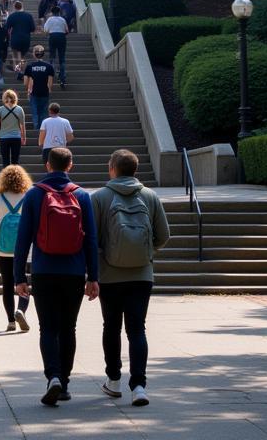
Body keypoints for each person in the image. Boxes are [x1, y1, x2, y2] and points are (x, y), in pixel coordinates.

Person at [13, 147, 99, 407]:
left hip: (43, 271)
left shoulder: (34, 194)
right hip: (73, 272)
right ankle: (65, 382)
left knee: (48, 328)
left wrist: (19, 276)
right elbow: (91, 239)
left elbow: (23, 239)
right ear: (70, 165)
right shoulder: (82, 196)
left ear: (48, 165)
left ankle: (52, 377)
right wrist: (93, 276)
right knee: (68, 328)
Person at [92, 149, 171, 408]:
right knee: (137, 329)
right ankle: (138, 386)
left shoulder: (100, 197)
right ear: (135, 169)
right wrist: (147, 252)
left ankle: (113, 380)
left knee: (111, 327)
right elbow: (164, 234)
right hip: (141, 273)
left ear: (112, 168)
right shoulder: (149, 196)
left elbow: (91, 238)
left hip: (109, 274)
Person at [0, 164, 33, 333]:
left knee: (7, 283)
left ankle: (11, 321)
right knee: (23, 280)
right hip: (25, 247)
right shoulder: (28, 196)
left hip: (3, 248)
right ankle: (21, 309)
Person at [0, 89, 27, 167]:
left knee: (5, 161)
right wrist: (24, 137)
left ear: (4, 98)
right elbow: (22, 125)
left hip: (4, 138)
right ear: (15, 98)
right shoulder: (19, 109)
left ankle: (6, 178)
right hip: (16, 137)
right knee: (15, 161)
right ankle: (16, 178)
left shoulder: (0, 109)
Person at [24, 45, 55, 132]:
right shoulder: (49, 66)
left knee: (35, 112)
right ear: (43, 54)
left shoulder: (30, 66)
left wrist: (28, 90)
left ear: (34, 54)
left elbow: (25, 82)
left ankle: (36, 129)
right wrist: (49, 90)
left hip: (33, 92)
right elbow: (50, 83)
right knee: (44, 112)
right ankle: (42, 130)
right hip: (45, 92)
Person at [5, 0, 36, 71]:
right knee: (22, 56)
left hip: (15, 38)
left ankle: (18, 70)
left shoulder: (12, 16)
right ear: (22, 6)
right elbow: (33, 29)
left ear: (14, 7)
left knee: (16, 54)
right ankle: (22, 71)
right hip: (26, 38)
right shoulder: (29, 16)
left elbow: (7, 28)